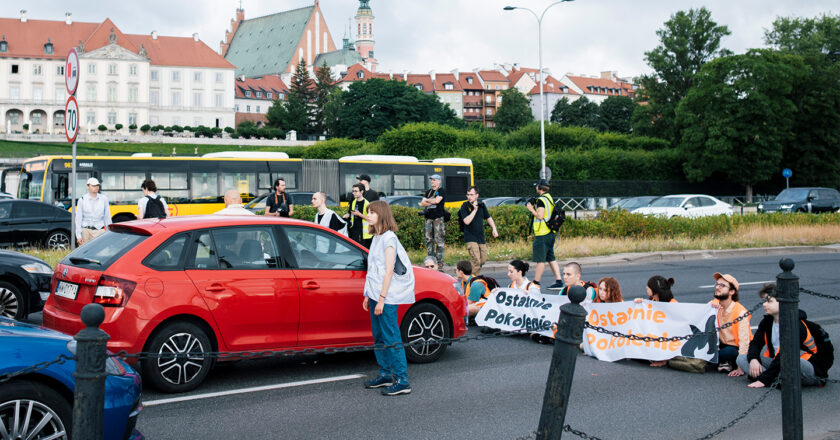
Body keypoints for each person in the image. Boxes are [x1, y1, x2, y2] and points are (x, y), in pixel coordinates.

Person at [362, 201, 415, 396]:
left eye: (372, 212)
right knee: (379, 336)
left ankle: (402, 380)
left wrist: (382, 298)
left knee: (391, 336)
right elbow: (372, 269)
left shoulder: (389, 238)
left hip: (388, 296)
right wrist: (368, 294)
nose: (369, 215)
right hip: (376, 294)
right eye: (368, 212)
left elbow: (389, 271)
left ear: (381, 215)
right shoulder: (376, 236)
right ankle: (385, 374)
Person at [737, 283, 833, 388]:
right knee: (742, 359)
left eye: (769, 301)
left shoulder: (796, 324)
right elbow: (756, 343)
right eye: (764, 301)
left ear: (783, 302)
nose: (764, 305)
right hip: (779, 363)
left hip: (805, 365)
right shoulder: (767, 322)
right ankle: (777, 379)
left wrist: (763, 381)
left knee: (790, 360)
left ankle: (770, 378)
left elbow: (785, 354)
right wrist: (753, 359)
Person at [708, 273, 752, 376]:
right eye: (717, 284)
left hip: (734, 348)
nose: (717, 287)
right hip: (720, 345)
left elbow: (744, 342)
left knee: (728, 352)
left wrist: (741, 367)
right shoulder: (714, 303)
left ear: (732, 292)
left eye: (722, 286)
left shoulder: (740, 312)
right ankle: (723, 362)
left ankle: (725, 361)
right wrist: (709, 308)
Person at [526, 179, 563, 290]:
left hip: (542, 234)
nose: (535, 188)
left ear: (540, 188)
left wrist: (531, 209)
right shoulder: (549, 198)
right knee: (551, 257)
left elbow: (540, 216)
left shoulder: (541, 200)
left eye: (536, 186)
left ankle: (536, 283)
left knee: (540, 260)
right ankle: (559, 281)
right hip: (550, 233)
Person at [635, 275, 677, 367]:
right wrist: (639, 303)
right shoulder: (652, 301)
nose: (646, 287)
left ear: (655, 289)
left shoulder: (673, 304)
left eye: (649, 286)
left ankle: (664, 359)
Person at [458, 185, 498, 275]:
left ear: (477, 195)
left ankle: (466, 275)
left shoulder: (482, 205)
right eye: (468, 195)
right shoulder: (464, 206)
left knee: (482, 260)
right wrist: (474, 210)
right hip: (470, 237)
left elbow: (488, 218)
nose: (469, 197)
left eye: (471, 195)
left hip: (480, 237)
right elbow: (466, 221)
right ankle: (473, 281)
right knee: (476, 261)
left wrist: (494, 229)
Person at [420, 174, 447, 270]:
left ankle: (439, 263)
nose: (432, 182)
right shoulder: (428, 192)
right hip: (428, 218)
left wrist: (428, 200)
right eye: (431, 180)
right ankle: (430, 262)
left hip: (437, 219)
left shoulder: (441, 191)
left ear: (439, 181)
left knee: (439, 240)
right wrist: (430, 200)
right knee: (429, 240)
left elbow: (437, 201)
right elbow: (422, 203)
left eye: (434, 180)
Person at [75, 177, 111, 245]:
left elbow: (107, 217)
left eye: (97, 185)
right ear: (87, 187)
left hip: (99, 231)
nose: (96, 187)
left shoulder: (104, 199)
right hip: (85, 231)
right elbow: (78, 219)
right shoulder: (82, 200)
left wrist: (108, 233)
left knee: (100, 252)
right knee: (84, 253)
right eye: (93, 185)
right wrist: (78, 236)